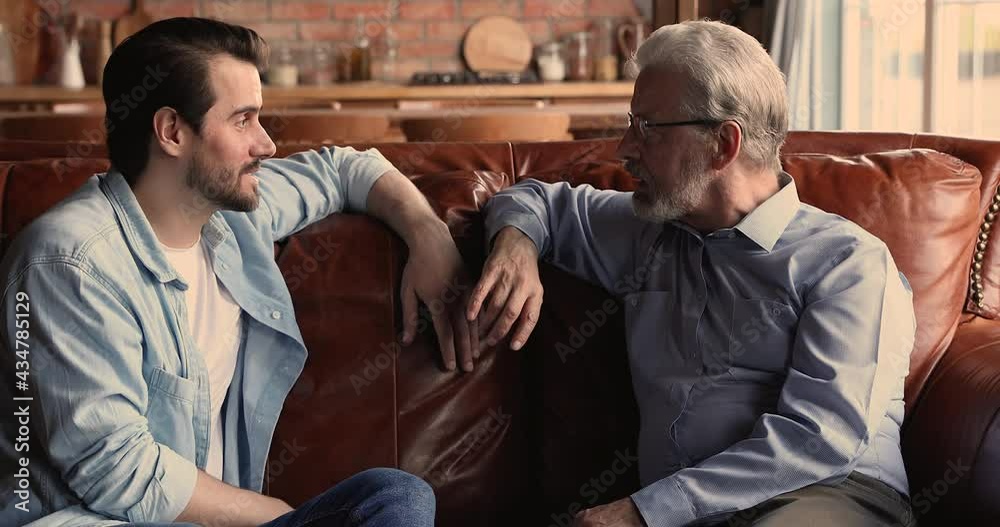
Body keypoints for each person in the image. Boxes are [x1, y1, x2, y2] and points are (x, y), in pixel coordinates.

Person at [0, 17, 477, 527]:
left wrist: (430, 236)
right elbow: (118, 472)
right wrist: (286, 519)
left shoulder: (232, 215)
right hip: (94, 520)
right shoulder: (69, 262)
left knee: (395, 496)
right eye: (243, 120)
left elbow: (345, 169)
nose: (267, 144)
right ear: (172, 132)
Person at [469, 20, 917, 527]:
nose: (624, 149)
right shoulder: (646, 229)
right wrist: (516, 246)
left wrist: (643, 512)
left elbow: (820, 439)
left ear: (723, 145)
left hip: (826, 496)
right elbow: (534, 200)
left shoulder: (848, 263)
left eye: (647, 128)